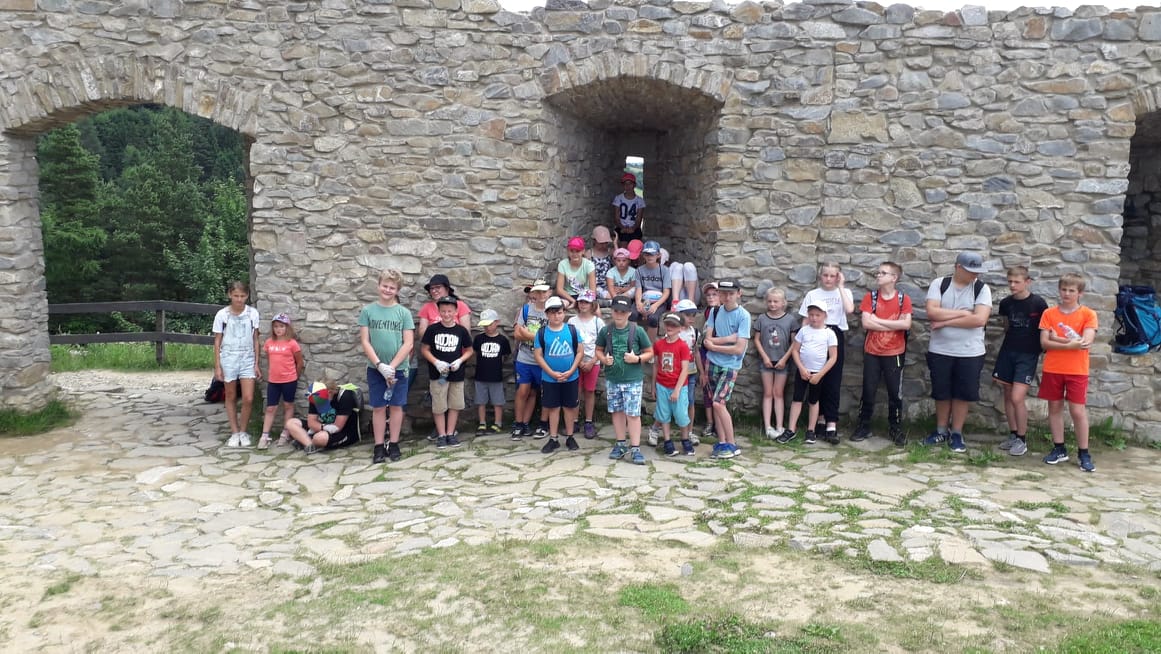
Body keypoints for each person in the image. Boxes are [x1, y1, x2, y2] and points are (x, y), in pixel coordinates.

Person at [922, 252, 993, 453]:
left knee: (963, 394)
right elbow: (932, 312)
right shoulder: (939, 284)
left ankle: (956, 433)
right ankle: (941, 430)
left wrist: (945, 322)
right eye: (971, 271)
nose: (975, 275)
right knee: (942, 392)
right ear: (958, 267)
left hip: (970, 352)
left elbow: (979, 319)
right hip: (940, 349)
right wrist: (963, 313)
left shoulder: (982, 288)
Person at [1039, 273, 1099, 472]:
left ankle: (1084, 453)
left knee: (1077, 411)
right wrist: (1067, 344)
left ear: (1080, 293)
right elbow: (1044, 342)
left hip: (1077, 370)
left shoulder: (1088, 314)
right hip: (1053, 368)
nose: (1066, 293)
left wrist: (1058, 339)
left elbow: (1085, 342)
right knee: (1054, 408)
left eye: (1071, 290)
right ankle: (1059, 448)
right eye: (1063, 289)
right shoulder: (1049, 313)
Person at [853, 262, 913, 447]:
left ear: (894, 278)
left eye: (883, 273)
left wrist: (877, 320)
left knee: (895, 393)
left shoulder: (903, 299)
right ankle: (863, 425)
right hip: (872, 352)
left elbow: (906, 325)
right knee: (868, 390)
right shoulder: (870, 298)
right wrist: (893, 324)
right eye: (878, 272)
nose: (878, 275)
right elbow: (866, 323)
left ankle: (895, 427)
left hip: (895, 353)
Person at [358, 268, 414, 464]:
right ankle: (379, 445)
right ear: (378, 286)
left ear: (397, 290)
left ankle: (394, 443)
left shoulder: (403, 313)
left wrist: (392, 366)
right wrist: (380, 365)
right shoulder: (368, 311)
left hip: (399, 368)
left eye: (392, 288)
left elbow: (408, 343)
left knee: (397, 406)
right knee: (379, 407)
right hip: (376, 369)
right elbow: (365, 341)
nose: (388, 290)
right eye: (385, 286)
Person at [992, 266, 1048, 457]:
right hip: (1008, 352)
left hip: (1028, 354)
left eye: (1017, 282)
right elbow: (1006, 326)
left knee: (1017, 397)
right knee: (1008, 394)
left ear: (1027, 282)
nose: (1012, 285)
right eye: (1010, 281)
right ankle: (1014, 434)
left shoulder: (1038, 303)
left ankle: (1022, 439)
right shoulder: (1006, 303)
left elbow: (1045, 328)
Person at [797, 262, 854, 445]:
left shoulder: (844, 292)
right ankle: (819, 420)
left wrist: (841, 286)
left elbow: (850, 310)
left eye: (833, 275)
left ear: (838, 276)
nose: (828, 279)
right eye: (825, 275)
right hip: (814, 334)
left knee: (832, 380)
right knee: (816, 378)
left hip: (833, 334)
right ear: (820, 276)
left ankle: (831, 423)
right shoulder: (812, 294)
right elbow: (805, 320)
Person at [597, 295, 655, 465]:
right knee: (617, 412)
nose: (619, 314)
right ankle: (621, 444)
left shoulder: (637, 331)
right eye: (616, 311)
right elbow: (598, 350)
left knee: (633, 414)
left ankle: (635, 448)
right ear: (612, 311)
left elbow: (650, 352)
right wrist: (603, 359)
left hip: (632, 379)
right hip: (613, 379)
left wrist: (637, 359)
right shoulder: (606, 331)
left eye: (623, 311)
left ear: (629, 313)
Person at [415, 273, 472, 438]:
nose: (434, 291)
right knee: (438, 396)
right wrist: (438, 329)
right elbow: (423, 334)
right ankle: (440, 431)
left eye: (437, 287)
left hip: (456, 358)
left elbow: (466, 333)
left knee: (455, 397)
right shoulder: (427, 308)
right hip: (435, 358)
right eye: (431, 288)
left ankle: (450, 430)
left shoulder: (460, 306)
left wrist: (460, 359)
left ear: (447, 288)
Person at [702, 279, 750, 459]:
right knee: (715, 403)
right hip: (712, 362)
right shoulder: (715, 311)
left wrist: (715, 346)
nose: (727, 297)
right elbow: (707, 339)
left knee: (718, 403)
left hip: (730, 365)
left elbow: (739, 349)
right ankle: (722, 442)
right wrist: (729, 339)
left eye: (731, 293)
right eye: (723, 293)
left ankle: (732, 443)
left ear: (739, 293)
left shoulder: (743, 316)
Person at [213, 280, 261, 448]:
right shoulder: (222, 315)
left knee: (248, 397)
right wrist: (217, 365)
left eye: (242, 296)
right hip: (228, 357)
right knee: (231, 395)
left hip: (247, 357)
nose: (239, 299)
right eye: (236, 296)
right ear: (230, 295)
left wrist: (256, 363)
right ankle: (234, 432)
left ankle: (243, 431)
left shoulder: (252, 314)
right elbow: (217, 341)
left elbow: (256, 339)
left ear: (247, 296)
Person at [534, 296, 584, 454]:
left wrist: (571, 370)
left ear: (564, 313)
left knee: (569, 407)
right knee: (553, 407)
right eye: (553, 313)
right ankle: (553, 438)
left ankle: (570, 436)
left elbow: (580, 351)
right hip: (550, 378)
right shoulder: (542, 333)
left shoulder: (572, 330)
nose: (556, 316)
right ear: (547, 314)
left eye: (560, 312)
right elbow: (538, 356)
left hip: (571, 377)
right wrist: (551, 373)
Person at [782, 304, 838, 445]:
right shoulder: (804, 331)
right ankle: (791, 429)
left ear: (825, 315)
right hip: (803, 371)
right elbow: (795, 350)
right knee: (797, 399)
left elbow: (833, 357)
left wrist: (820, 374)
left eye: (817, 315)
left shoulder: (829, 333)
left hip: (817, 373)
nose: (814, 318)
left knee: (814, 401)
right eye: (811, 315)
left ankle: (811, 430)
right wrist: (801, 368)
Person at [753, 288, 797, 441]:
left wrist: (784, 359)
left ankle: (779, 425)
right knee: (767, 393)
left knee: (778, 393)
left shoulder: (790, 320)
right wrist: (764, 357)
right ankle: (767, 426)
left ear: (783, 303)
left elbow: (794, 342)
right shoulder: (762, 319)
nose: (772, 304)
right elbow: (756, 339)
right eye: (770, 301)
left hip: (782, 361)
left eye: (776, 301)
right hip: (766, 360)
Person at [258, 313, 304, 449]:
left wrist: (295, 376)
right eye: (276, 326)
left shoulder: (292, 343)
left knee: (288, 405)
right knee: (270, 407)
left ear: (287, 328)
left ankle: (286, 432)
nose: (278, 329)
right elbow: (269, 359)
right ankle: (265, 435)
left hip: (289, 380)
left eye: (282, 326)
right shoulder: (269, 343)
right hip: (273, 381)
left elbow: (299, 362)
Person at [513, 278, 551, 440]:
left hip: (545, 360)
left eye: (544, 291)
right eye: (538, 291)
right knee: (523, 391)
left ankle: (542, 424)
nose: (541, 294)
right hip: (525, 358)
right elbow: (517, 334)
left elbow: (550, 338)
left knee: (543, 392)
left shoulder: (552, 310)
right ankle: (519, 424)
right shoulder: (526, 310)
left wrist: (529, 334)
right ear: (533, 293)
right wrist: (538, 337)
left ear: (549, 292)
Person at [652, 312, 694, 456]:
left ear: (680, 328)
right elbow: (656, 365)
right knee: (664, 414)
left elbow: (685, 369)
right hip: (662, 385)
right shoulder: (659, 344)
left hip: (679, 386)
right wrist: (653, 385)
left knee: (681, 414)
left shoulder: (683, 346)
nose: (670, 327)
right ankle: (667, 441)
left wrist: (677, 390)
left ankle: (685, 439)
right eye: (668, 324)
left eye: (674, 325)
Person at [285, 381, 361, 453]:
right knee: (291, 423)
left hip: (344, 432)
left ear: (329, 392)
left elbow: (337, 427)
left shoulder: (345, 396)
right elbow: (311, 422)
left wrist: (318, 428)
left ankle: (304, 440)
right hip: (323, 427)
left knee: (320, 438)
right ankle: (310, 445)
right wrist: (321, 427)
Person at [568, 290, 602, 439]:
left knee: (589, 391)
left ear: (592, 304)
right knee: (575, 391)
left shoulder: (598, 322)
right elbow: (569, 343)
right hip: (576, 361)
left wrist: (593, 361)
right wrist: (579, 361)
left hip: (593, 361)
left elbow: (602, 345)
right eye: (581, 302)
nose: (583, 305)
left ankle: (588, 421)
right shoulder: (572, 321)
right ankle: (574, 420)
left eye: (586, 302)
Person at [472, 309, 511, 436]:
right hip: (480, 375)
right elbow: (475, 352)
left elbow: (505, 356)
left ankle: (498, 422)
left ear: (497, 322)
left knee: (497, 401)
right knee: (481, 401)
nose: (487, 328)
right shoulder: (478, 339)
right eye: (485, 325)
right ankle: (482, 423)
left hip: (496, 376)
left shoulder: (502, 340)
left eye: (489, 324)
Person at [675, 298, 702, 445]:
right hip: (676, 374)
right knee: (670, 401)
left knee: (690, 401)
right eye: (687, 315)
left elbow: (696, 352)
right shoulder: (675, 332)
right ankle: (657, 428)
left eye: (693, 315)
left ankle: (689, 432)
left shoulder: (694, 333)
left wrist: (702, 372)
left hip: (690, 373)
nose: (691, 318)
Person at [697, 281, 720, 440]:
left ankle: (719, 424)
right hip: (706, 353)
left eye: (714, 294)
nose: (711, 297)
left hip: (721, 354)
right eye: (708, 295)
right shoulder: (705, 314)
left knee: (719, 391)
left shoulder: (725, 313)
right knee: (707, 389)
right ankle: (710, 422)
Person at [636, 240, 671, 333]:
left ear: (658, 255)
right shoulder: (639, 270)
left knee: (653, 318)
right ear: (643, 255)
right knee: (632, 315)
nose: (649, 257)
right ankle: (633, 340)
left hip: (659, 301)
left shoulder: (665, 270)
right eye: (647, 254)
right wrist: (638, 303)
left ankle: (650, 342)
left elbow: (666, 292)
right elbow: (638, 289)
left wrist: (656, 305)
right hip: (644, 299)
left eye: (652, 254)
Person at [555, 236, 596, 309]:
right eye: (571, 251)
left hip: (585, 295)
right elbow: (559, 289)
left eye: (577, 251)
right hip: (568, 295)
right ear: (568, 251)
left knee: (595, 309)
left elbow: (593, 290)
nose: (574, 254)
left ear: (583, 251)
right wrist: (573, 301)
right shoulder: (562, 264)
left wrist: (584, 301)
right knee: (559, 306)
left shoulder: (589, 265)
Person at [612, 172, 645, 245]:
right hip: (621, 227)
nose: (628, 186)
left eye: (630, 184)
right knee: (623, 242)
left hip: (634, 228)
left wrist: (633, 228)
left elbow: (639, 219)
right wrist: (622, 227)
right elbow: (616, 218)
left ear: (634, 185)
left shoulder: (640, 201)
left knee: (634, 244)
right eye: (625, 184)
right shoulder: (618, 199)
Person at [590, 226, 615, 301]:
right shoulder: (589, 254)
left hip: (609, 284)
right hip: (595, 285)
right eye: (601, 243)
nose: (603, 245)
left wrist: (615, 244)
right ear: (594, 241)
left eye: (606, 243)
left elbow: (619, 258)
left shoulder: (610, 252)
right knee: (607, 295)